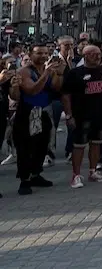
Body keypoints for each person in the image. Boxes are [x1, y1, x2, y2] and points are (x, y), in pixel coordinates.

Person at [10, 46, 61, 195]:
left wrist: (55, 73)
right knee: (25, 148)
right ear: (31, 55)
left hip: (43, 111)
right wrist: (46, 73)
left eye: (46, 53)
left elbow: (56, 87)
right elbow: (32, 90)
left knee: (42, 145)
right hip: (27, 112)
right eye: (39, 53)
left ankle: (36, 174)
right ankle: (24, 180)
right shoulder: (24, 71)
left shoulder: (46, 69)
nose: (43, 56)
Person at [61, 45, 102, 188]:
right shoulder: (75, 73)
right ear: (85, 56)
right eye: (93, 54)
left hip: (100, 114)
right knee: (79, 145)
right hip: (81, 115)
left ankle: (93, 171)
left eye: (98, 54)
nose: (97, 57)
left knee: (96, 143)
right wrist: (69, 115)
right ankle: (76, 175)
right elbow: (66, 95)